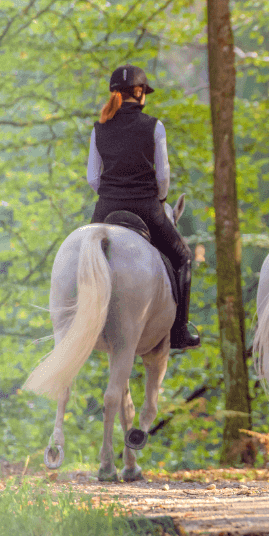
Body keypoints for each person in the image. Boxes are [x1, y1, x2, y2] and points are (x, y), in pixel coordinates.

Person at [86, 64, 201, 351]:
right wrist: (160, 200)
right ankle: (179, 330)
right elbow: (163, 176)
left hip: (106, 209)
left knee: (83, 258)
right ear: (139, 92)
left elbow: (92, 178)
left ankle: (77, 317)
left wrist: (112, 193)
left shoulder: (99, 128)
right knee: (183, 257)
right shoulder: (154, 126)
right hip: (146, 209)